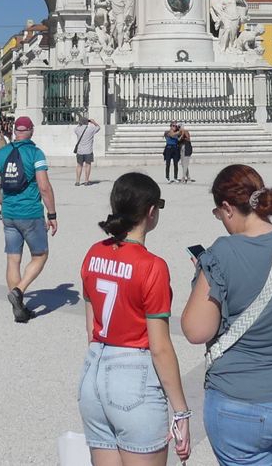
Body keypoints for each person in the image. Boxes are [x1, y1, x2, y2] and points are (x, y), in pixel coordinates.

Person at [181, 164, 272, 466]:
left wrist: (202, 275)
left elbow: (197, 331)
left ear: (227, 207)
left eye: (218, 214)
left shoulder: (220, 254)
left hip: (241, 402)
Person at [77, 172, 191, 465]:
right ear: (151, 212)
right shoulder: (152, 266)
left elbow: (92, 327)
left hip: (95, 370)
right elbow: (160, 347)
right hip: (132, 376)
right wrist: (180, 411)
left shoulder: (92, 253)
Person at [0, 115, 57, 323]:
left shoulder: (3, 152)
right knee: (40, 255)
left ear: (15, 131)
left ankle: (20, 308)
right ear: (31, 131)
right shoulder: (36, 153)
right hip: (31, 213)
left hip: (9, 215)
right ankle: (19, 291)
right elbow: (44, 186)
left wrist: (4, 202)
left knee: (13, 259)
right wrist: (51, 214)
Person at [73, 116, 100, 187]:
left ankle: (77, 181)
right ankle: (86, 181)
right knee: (88, 165)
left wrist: (80, 123)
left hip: (80, 151)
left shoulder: (77, 129)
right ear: (87, 122)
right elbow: (98, 127)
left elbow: (76, 128)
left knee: (79, 166)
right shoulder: (91, 129)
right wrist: (93, 122)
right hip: (88, 151)